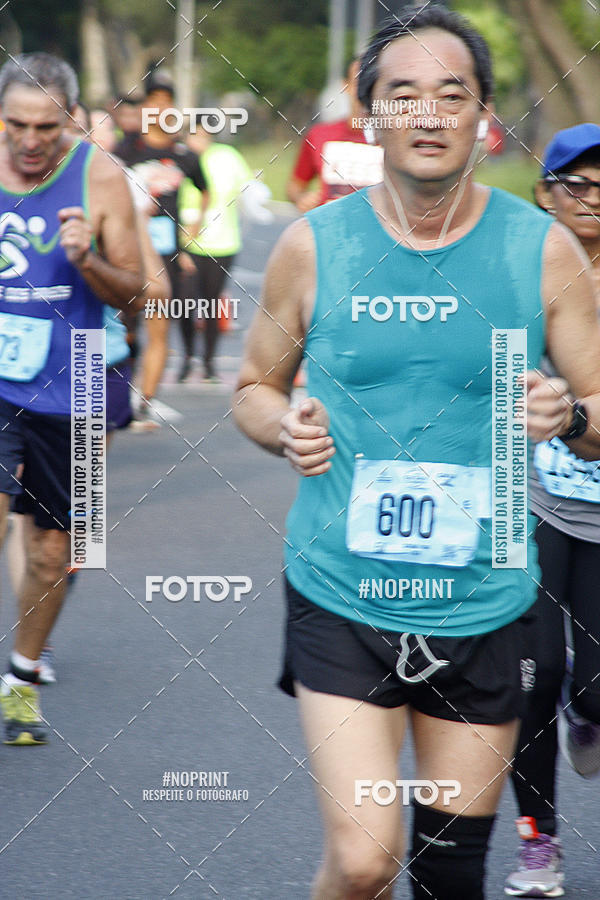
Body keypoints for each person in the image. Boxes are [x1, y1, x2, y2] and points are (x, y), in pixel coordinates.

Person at [234, 8, 600, 899]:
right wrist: (282, 426)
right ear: (369, 116)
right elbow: (253, 387)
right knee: (363, 861)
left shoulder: (542, 250)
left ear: (484, 118)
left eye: (453, 95)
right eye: (404, 95)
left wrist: (570, 416)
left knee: (450, 872)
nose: (428, 115)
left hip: (488, 597)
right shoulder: (312, 244)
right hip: (343, 590)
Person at [0, 52, 145, 745]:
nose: (30, 142)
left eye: (46, 129)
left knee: (60, 551)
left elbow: (139, 293)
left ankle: (22, 681)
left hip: (82, 375)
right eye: (15, 125)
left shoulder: (102, 176)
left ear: (69, 122)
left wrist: (88, 259)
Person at [504, 123, 600, 899]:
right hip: (527, 501)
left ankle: (588, 702)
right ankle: (539, 845)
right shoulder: (514, 270)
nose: (592, 198)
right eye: (576, 184)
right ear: (546, 193)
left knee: (591, 691)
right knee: (527, 682)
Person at [116, 74, 209, 426]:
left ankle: (143, 403)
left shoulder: (183, 155)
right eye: (151, 101)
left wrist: (191, 232)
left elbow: (205, 191)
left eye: (164, 102)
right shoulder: (125, 151)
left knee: (158, 327)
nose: (158, 108)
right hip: (125, 253)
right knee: (124, 329)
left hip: (164, 255)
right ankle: (118, 388)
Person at [177, 126, 254, 382]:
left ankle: (209, 362)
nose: (198, 140)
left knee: (210, 304)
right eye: (193, 135)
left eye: (202, 134)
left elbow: (249, 190)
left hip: (223, 242)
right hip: (187, 243)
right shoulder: (181, 158)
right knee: (185, 301)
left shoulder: (227, 156)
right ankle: (188, 356)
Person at [286, 59, 384, 211]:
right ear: (346, 86)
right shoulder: (319, 135)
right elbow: (295, 186)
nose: (365, 91)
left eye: (371, 83)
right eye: (359, 82)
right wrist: (302, 198)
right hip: (332, 230)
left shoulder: (393, 138)